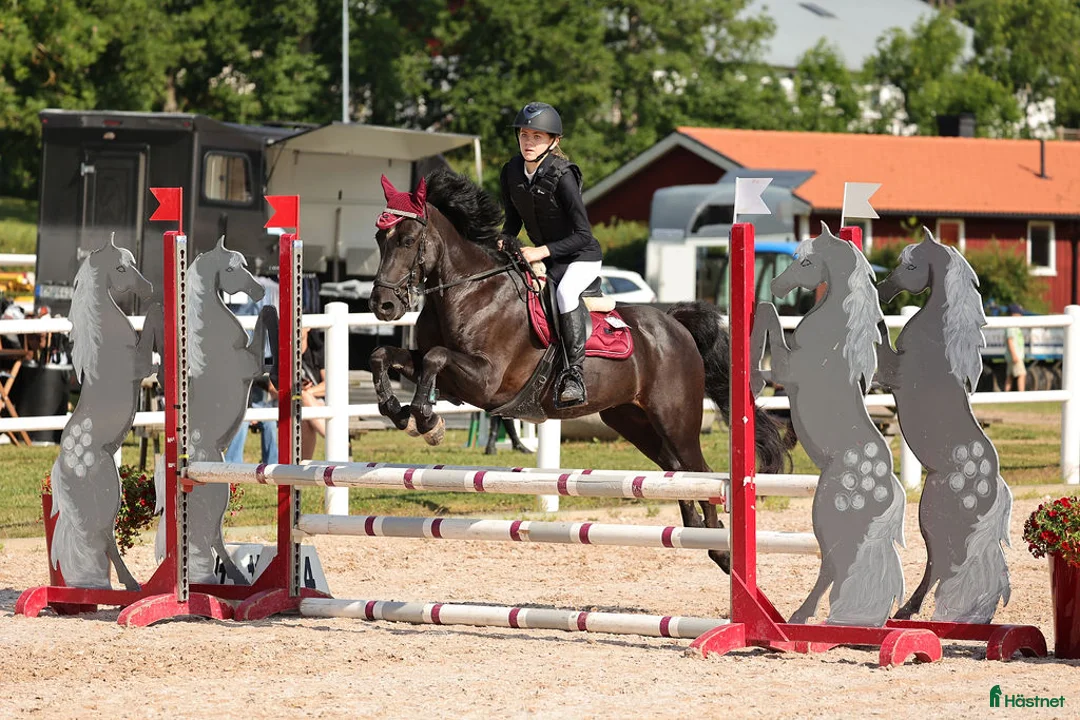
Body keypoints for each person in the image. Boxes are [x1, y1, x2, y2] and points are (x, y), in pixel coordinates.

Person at [500, 101, 603, 409]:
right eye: (524, 135)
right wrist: (504, 240)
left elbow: (584, 234)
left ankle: (574, 375)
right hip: (545, 257)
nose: (528, 142)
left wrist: (541, 251)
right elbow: (513, 221)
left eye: (537, 137)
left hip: (581, 256)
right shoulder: (511, 172)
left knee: (566, 294)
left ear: (554, 141)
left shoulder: (563, 175)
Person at [224, 277, 279, 464]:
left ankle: (273, 468)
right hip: (234, 402)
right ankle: (232, 468)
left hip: (255, 397)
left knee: (270, 423)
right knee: (242, 422)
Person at [300, 326, 327, 460]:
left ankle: (301, 468)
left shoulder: (318, 351)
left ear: (309, 327)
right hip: (293, 403)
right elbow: (273, 388)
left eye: (301, 322)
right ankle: (334, 438)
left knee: (304, 401)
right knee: (304, 417)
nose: (298, 327)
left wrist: (308, 391)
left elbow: (328, 384)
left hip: (318, 402)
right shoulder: (284, 351)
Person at [1004, 304, 1027, 392]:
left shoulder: (1014, 326)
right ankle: (1022, 394)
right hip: (1015, 356)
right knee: (1022, 374)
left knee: (1010, 376)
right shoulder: (1011, 326)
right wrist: (1014, 355)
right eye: (1019, 314)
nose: (1021, 316)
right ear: (1013, 314)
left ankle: (1006, 394)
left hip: (1013, 356)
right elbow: (1010, 341)